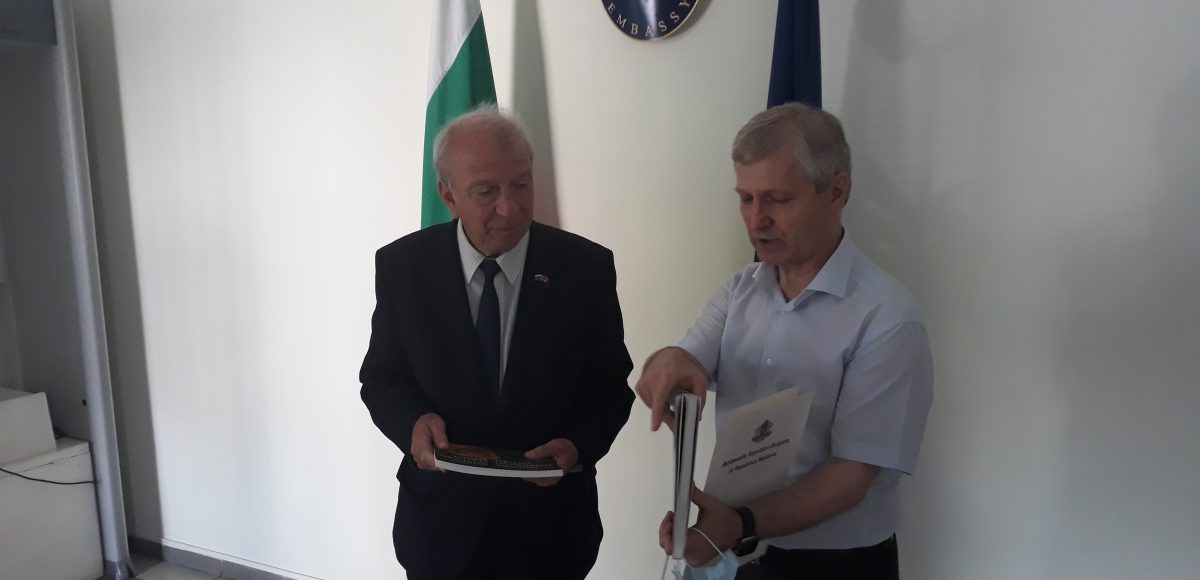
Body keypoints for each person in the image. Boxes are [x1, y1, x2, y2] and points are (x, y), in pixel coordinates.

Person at [636, 103, 934, 580]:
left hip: (833, 566)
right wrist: (666, 362)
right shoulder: (740, 291)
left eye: (777, 199)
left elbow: (853, 476)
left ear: (836, 192)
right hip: (729, 551)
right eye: (746, 198)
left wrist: (739, 525)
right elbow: (682, 360)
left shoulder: (887, 317)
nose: (756, 220)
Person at [360, 106, 635, 580]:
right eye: (486, 192)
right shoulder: (404, 267)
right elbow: (383, 378)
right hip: (440, 529)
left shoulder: (584, 268)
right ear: (448, 195)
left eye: (521, 185)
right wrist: (413, 423)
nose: (509, 208)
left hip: (551, 532)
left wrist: (576, 445)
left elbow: (609, 388)